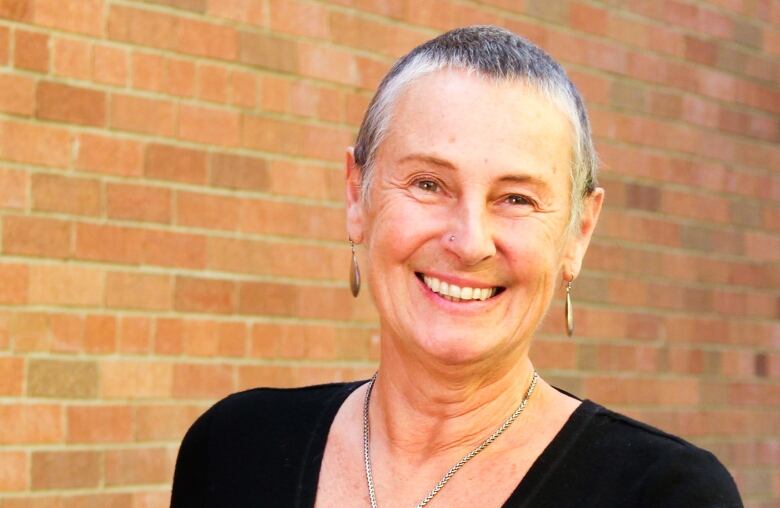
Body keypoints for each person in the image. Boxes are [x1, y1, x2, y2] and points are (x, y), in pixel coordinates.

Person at [170, 26, 743, 507]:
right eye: (428, 184)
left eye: (516, 198)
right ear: (356, 195)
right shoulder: (232, 451)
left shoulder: (664, 494)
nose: (469, 242)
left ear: (579, 232)